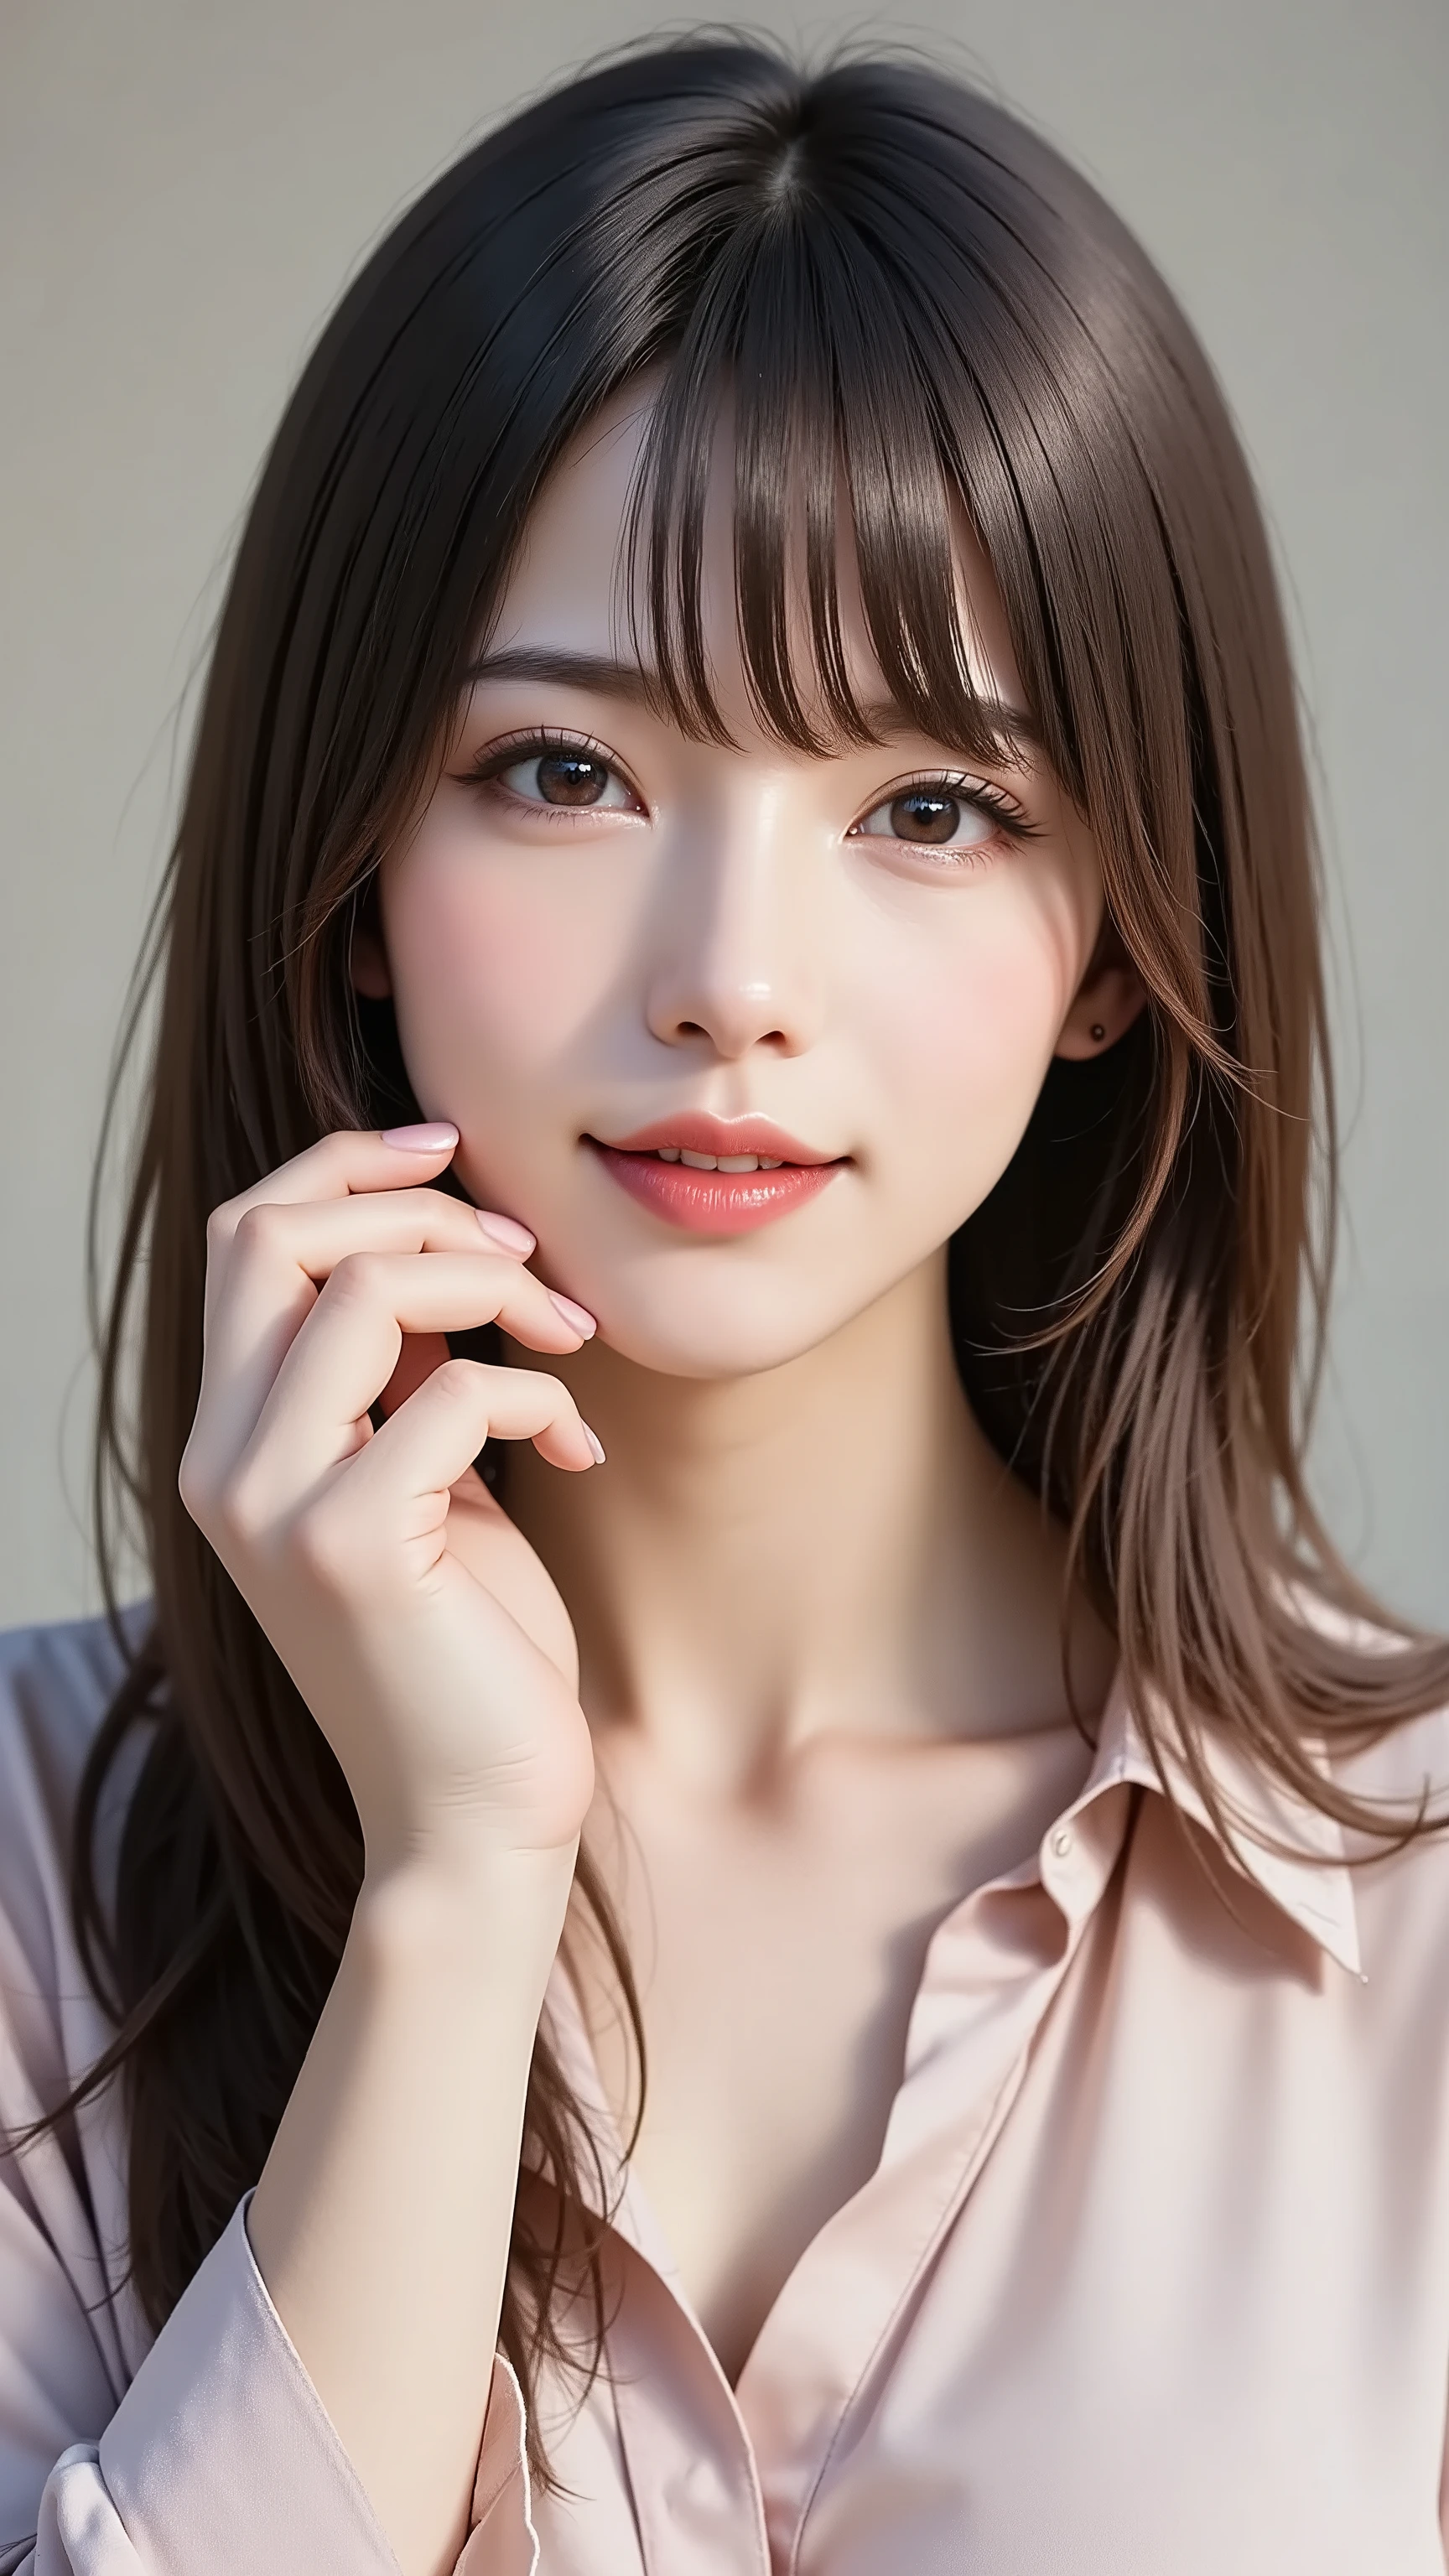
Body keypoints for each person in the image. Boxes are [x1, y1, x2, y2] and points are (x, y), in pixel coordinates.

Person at [2, 34, 1446, 2576]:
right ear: (350, 867)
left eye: (930, 807)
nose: (732, 979)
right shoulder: (28, 1873)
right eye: (565, 771)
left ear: (1119, 938)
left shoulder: (1413, 1901)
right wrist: (456, 1891)